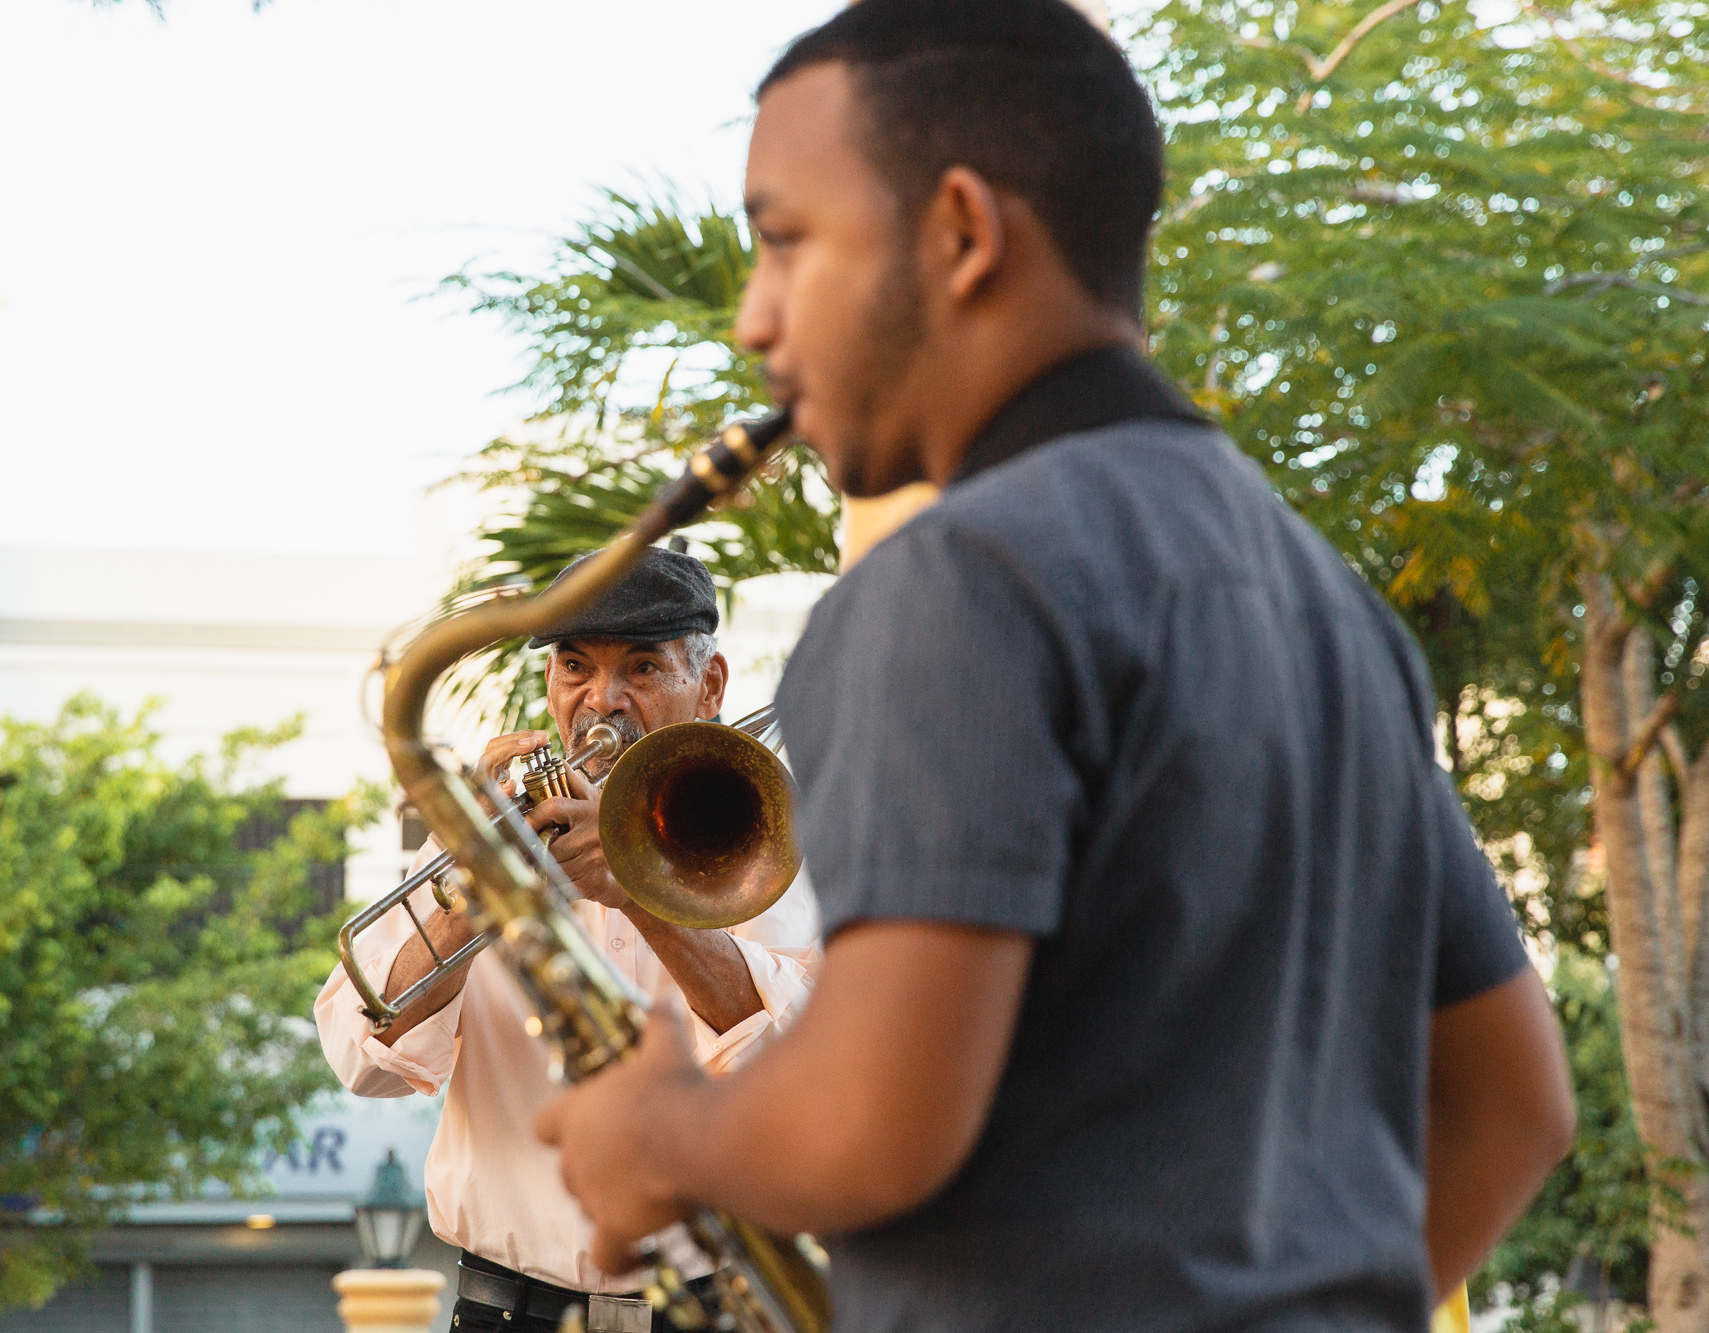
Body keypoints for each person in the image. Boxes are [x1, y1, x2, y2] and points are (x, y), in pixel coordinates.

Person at [533, 3, 1576, 1331]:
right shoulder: (1328, 601)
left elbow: (874, 1115)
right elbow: (1513, 1104)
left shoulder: (959, 581)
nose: (755, 321)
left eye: (787, 242)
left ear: (964, 234)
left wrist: (663, 1133)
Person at [314, 545, 820, 1333]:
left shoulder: (758, 829)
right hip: (504, 1314)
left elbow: (802, 1071)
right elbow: (360, 1059)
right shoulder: (482, 825)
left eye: (643, 668)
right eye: (574, 665)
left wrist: (638, 892)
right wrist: (475, 889)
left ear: (710, 685)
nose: (600, 700)